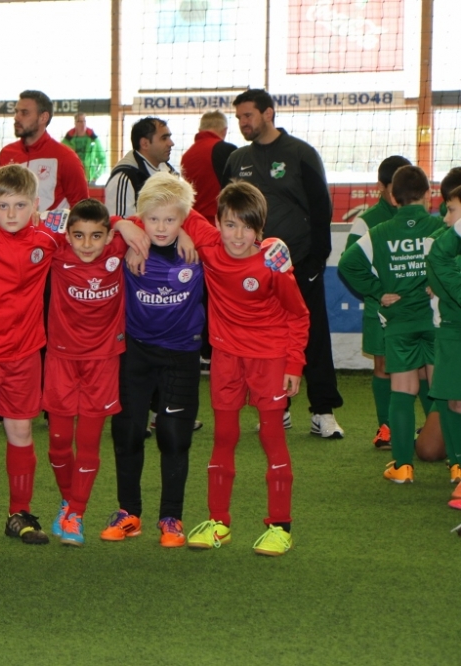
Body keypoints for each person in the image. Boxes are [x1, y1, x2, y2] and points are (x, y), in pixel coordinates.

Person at [0, 164, 146, 557]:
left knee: (20, 432)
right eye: (3, 206)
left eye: (20, 205)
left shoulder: (50, 235)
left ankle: (19, 513)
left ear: (36, 205)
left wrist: (122, 223)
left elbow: (88, 224)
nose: (11, 214)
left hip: (25, 352)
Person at [172, 181, 307, 557]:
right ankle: (218, 522)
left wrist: (294, 363)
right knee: (224, 437)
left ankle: (280, 527)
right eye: (230, 225)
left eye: (247, 228)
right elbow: (168, 204)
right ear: (217, 222)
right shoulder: (209, 243)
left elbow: (298, 315)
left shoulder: (272, 262)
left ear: (260, 230)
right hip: (226, 357)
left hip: (270, 357)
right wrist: (126, 225)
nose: (237, 235)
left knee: (272, 437)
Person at [222, 88, 344, 438]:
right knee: (266, 339)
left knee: (313, 335)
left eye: (248, 115)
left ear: (268, 113)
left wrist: (316, 259)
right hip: (253, 271)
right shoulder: (236, 160)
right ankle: (278, 407)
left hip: (300, 263)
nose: (243, 123)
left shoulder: (300, 153)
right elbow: (226, 213)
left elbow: (320, 208)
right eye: (239, 117)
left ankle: (323, 412)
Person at [103, 174, 204, 548]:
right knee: (128, 432)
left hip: (182, 354)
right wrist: (123, 226)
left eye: (171, 220)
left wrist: (188, 231)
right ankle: (128, 513)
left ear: (184, 220)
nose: (161, 228)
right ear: (141, 217)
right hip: (137, 351)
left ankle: (171, 517)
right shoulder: (127, 244)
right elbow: (78, 222)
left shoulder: (198, 250)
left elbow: (237, 238)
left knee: (174, 437)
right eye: (153, 219)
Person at [339, 166, 443, 483]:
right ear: (428, 195)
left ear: (393, 198)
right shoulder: (440, 227)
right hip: (435, 322)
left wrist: (377, 291)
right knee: (443, 390)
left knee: (402, 391)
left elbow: (347, 264)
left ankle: (402, 466)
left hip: (399, 323)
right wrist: (438, 282)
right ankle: (457, 466)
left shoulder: (380, 232)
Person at [43, 199, 131, 547]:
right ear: (68, 235)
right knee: (58, 443)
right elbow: (33, 225)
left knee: (89, 441)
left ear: (108, 237)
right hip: (61, 359)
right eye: (78, 235)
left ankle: (77, 513)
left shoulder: (118, 248)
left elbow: (158, 218)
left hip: (103, 360)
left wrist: (122, 222)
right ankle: (68, 500)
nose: (87, 244)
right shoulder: (57, 251)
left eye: (96, 236)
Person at [344, 155, 412, 449]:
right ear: (381, 187)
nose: (398, 195)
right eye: (393, 188)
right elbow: (351, 264)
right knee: (384, 366)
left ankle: (427, 429)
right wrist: (378, 293)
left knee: (422, 368)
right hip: (380, 308)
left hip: (416, 308)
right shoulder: (366, 221)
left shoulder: (420, 220)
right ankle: (386, 428)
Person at [0, 91, 89, 212]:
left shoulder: (66, 157)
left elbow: (82, 209)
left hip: (52, 225)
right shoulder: (6, 154)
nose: (16, 117)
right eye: (16, 112)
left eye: (24, 113)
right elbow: (0, 199)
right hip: (13, 224)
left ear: (43, 117)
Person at [427, 185, 461, 504]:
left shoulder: (446, 247)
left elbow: (439, 263)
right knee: (452, 402)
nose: (446, 218)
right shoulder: (445, 242)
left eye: (452, 211)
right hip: (450, 333)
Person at [106, 117, 176, 218]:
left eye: (169, 137)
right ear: (145, 144)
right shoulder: (124, 178)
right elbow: (119, 223)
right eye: (164, 138)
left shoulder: (169, 171)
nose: (171, 143)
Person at [180, 110, 236, 223]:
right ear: (224, 131)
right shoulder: (227, 150)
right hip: (220, 222)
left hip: (194, 222)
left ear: (200, 130)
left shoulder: (186, 156)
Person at [62, 113, 106, 184]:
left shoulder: (94, 139)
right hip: (72, 179)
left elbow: (103, 159)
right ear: (75, 123)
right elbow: (60, 160)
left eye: (84, 121)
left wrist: (96, 176)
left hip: (90, 180)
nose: (83, 124)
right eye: (80, 121)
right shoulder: (66, 141)